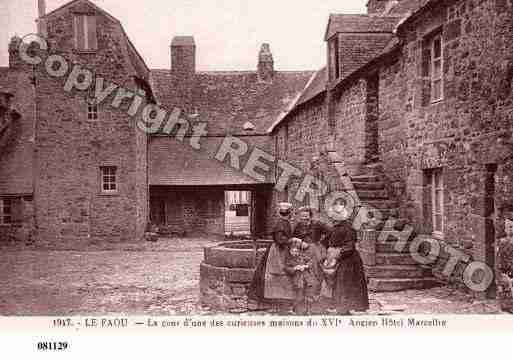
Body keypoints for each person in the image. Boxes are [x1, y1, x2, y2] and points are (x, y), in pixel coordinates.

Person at [248, 202, 299, 312]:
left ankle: (276, 302)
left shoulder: (283, 222)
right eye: (290, 213)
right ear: (289, 213)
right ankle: (271, 301)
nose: (291, 215)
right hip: (278, 251)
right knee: (276, 274)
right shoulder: (282, 223)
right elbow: (280, 239)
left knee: (277, 275)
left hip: (281, 249)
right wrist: (293, 240)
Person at [325, 200, 369, 315]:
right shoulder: (334, 227)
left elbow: (349, 246)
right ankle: (340, 307)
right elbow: (326, 241)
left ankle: (345, 308)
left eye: (335, 215)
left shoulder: (348, 228)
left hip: (348, 260)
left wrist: (337, 255)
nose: (332, 218)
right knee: (338, 283)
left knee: (345, 283)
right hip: (339, 258)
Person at [292, 206, 332, 310]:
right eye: (302, 217)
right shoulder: (298, 226)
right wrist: (299, 243)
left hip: (315, 252)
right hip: (303, 253)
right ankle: (303, 302)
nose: (304, 219)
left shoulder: (318, 224)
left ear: (310, 216)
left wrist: (321, 243)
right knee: (304, 275)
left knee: (316, 274)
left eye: (306, 217)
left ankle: (316, 302)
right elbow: (294, 237)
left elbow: (330, 232)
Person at [284, 238, 317, 314]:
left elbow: (311, 261)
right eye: (292, 251)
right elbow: (286, 268)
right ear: (290, 251)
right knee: (298, 295)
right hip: (297, 279)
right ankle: (294, 309)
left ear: (299, 251)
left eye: (296, 251)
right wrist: (295, 268)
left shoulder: (302, 256)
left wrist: (306, 266)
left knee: (309, 294)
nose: (294, 253)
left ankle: (308, 310)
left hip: (307, 278)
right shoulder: (289, 259)